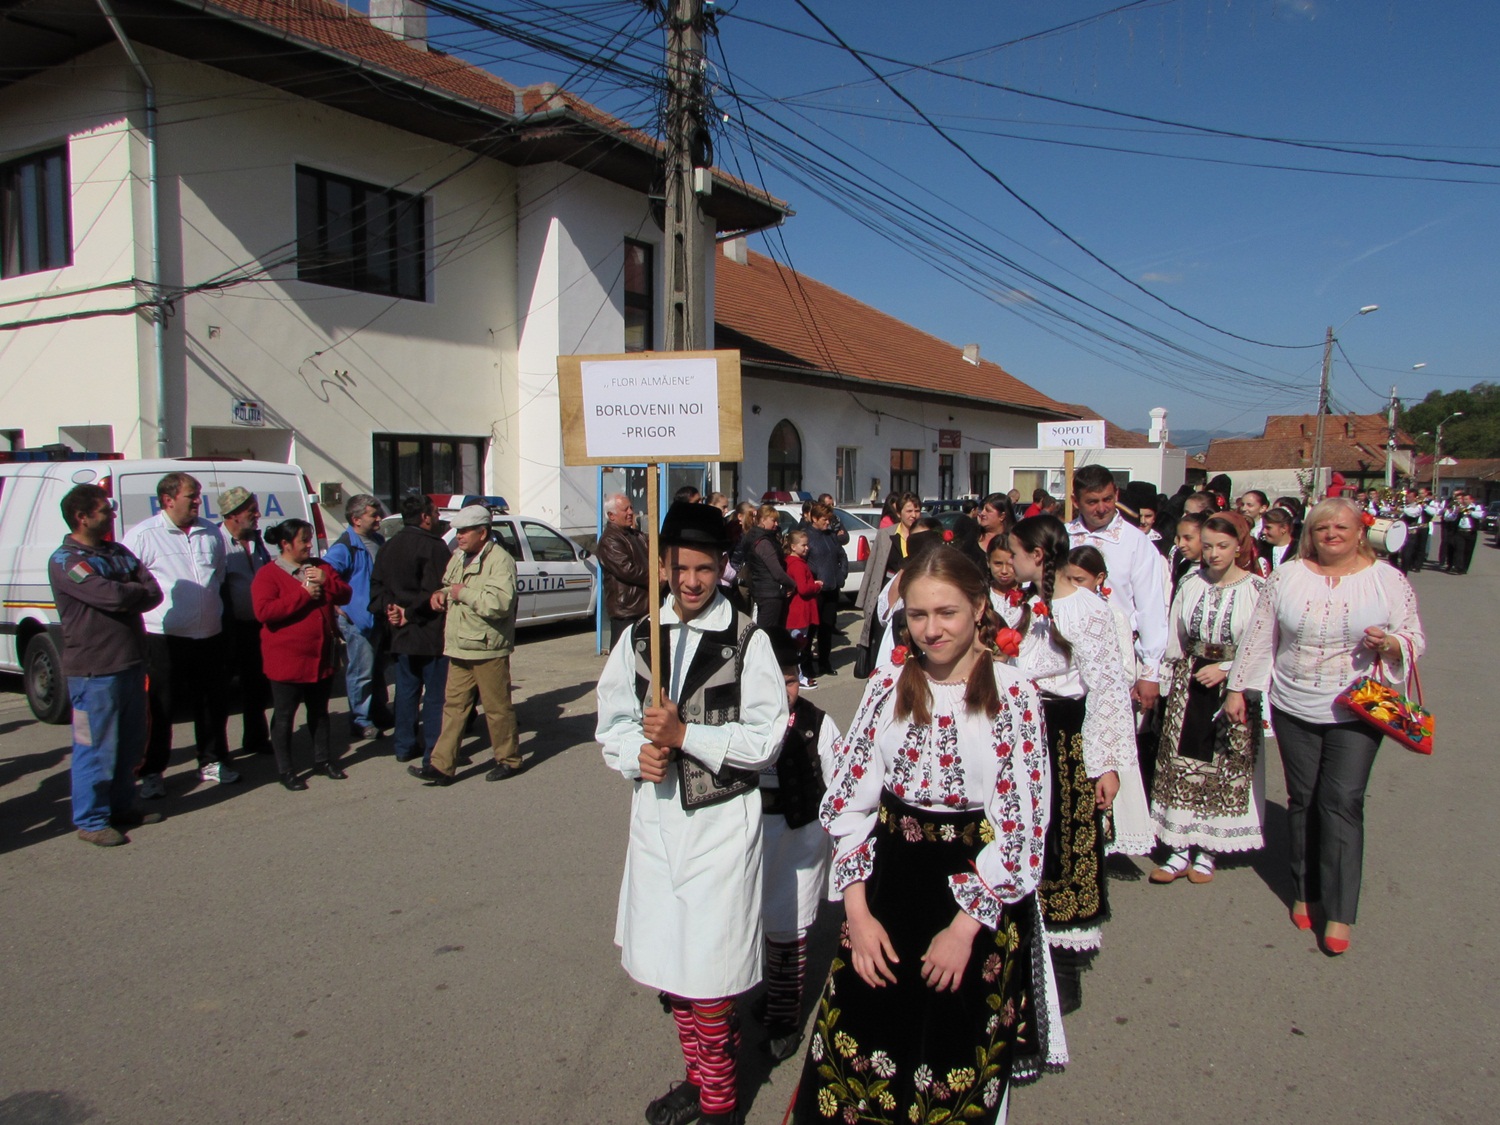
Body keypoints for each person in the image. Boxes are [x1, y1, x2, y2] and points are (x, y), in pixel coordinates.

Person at [790, 545, 1064, 1124]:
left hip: (970, 898)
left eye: (947, 613)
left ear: (978, 607)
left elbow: (1021, 830)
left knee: (947, 1063)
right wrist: (857, 917)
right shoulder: (891, 681)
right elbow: (850, 803)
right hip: (887, 886)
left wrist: (963, 932)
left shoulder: (1013, 694)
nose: (932, 629)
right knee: (862, 1054)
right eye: (918, 615)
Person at [597, 501, 787, 1125]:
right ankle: (701, 1074)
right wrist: (635, 755)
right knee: (675, 973)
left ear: (723, 568)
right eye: (680, 568)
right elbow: (614, 723)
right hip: (655, 824)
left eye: (705, 569)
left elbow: (765, 740)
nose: (691, 582)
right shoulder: (638, 637)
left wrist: (688, 739)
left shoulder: (746, 638)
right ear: (662, 566)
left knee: (707, 974)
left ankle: (719, 1102)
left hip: (720, 827)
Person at [1225, 497, 1425, 955]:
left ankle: (1339, 909)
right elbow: (1261, 634)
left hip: (1359, 705)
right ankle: (1305, 887)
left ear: (1360, 533)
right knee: (1305, 799)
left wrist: (1392, 643)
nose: (1331, 534)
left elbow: (1413, 636)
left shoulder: (1387, 580)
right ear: (1309, 535)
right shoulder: (1288, 576)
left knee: (1343, 800)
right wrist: (1239, 688)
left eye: (1341, 527)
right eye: (1321, 528)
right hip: (1294, 702)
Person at [1008, 516, 1138, 1012]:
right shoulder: (1031, 606)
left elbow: (1106, 689)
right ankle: (1026, 948)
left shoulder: (1085, 609)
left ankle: (1064, 967)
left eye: (1016, 553)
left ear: (1037, 556)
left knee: (1067, 841)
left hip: (1066, 738)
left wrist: (1106, 764)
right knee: (1026, 836)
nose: (1011, 561)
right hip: (1026, 734)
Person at [1149, 514, 1267, 885]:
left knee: (1222, 766)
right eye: (1210, 545)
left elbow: (1263, 645)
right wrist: (1169, 680)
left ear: (1239, 547)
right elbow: (1176, 636)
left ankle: (1208, 848)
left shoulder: (1256, 590)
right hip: (1190, 680)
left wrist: (1229, 670)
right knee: (1181, 763)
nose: (1214, 553)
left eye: (1224, 546)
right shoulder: (1190, 581)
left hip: (1232, 684)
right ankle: (1179, 845)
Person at [48, 484, 164, 846]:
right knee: (94, 748)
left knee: (129, 746)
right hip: (94, 672)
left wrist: (127, 590)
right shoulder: (66, 561)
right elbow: (111, 596)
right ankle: (92, 820)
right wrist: (129, 591)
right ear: (82, 517)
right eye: (104, 510)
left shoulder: (117, 552)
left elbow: (153, 590)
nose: (112, 514)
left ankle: (122, 806)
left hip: (129, 663)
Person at [122, 471, 237, 795]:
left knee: (212, 702)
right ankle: (153, 771)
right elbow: (130, 586)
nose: (199, 502)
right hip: (164, 637)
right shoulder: (143, 536)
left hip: (209, 634)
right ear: (168, 500)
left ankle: (212, 760)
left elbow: (218, 577)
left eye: (199, 495)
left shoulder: (211, 532)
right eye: (192, 496)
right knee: (161, 706)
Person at [756, 628, 839, 1063]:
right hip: (754, 839)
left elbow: (841, 778)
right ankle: (771, 993)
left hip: (800, 841)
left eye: (789, 680)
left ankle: (785, 1016)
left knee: (788, 929)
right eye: (772, 679)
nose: (782, 689)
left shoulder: (818, 723)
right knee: (758, 924)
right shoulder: (744, 721)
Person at [417, 504, 522, 785]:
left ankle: (508, 759)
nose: (459, 536)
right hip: (459, 644)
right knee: (454, 707)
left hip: (488, 647)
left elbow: (499, 603)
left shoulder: (500, 560)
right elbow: (448, 586)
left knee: (497, 708)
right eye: (457, 531)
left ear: (483, 532)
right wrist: (440, 595)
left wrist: (462, 593)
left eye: (464, 531)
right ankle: (441, 765)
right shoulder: (459, 556)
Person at [1062, 544, 1155, 860]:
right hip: (1073, 708)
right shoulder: (1063, 610)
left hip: (1099, 704)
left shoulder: (1110, 614)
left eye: (1081, 579)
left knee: (1100, 775)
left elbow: (1125, 668)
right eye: (1069, 579)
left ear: (1099, 578)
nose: (1075, 587)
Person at [252, 520, 352, 790]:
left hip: (321, 655)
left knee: (319, 713)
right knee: (285, 716)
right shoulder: (268, 575)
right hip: (287, 660)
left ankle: (322, 760)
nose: (310, 545)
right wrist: (303, 594)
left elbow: (345, 594)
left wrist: (326, 581)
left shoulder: (320, 567)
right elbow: (265, 612)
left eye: (310, 540)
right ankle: (286, 769)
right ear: (285, 545)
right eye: (303, 541)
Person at [1066, 464, 1169, 716]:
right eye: (1092, 501)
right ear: (1075, 501)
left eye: (1107, 499)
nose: (1101, 508)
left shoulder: (1136, 542)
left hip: (1116, 655)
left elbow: (1150, 608)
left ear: (1116, 496)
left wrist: (1150, 671)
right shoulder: (1063, 537)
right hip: (1067, 657)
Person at [370, 495, 452, 767]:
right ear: (426, 517)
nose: (439, 517)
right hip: (429, 632)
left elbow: (377, 590)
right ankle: (434, 751)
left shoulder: (388, 547)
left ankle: (404, 745)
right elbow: (436, 594)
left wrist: (391, 609)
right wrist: (402, 612)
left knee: (406, 691)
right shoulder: (434, 547)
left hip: (402, 633)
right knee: (435, 695)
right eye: (436, 513)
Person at [325, 493, 389, 742]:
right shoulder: (344, 546)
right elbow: (327, 576)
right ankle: (359, 720)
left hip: (377, 618)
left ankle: (378, 711)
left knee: (378, 669)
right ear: (356, 519)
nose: (379, 518)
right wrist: (339, 606)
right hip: (358, 621)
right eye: (373, 515)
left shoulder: (377, 540)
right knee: (361, 671)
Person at [217, 486, 272, 756]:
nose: (257, 515)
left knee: (256, 685)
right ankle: (218, 749)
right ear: (233, 514)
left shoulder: (257, 541)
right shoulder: (217, 541)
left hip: (257, 626)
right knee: (221, 690)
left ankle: (257, 738)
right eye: (251, 511)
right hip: (228, 627)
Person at [853, 493, 921, 665]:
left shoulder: (923, 534)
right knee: (882, 636)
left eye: (917, 510)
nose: (913, 515)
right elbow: (873, 567)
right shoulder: (886, 534)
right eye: (909, 511)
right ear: (899, 513)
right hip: (887, 590)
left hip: (915, 592)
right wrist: (865, 600)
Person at [598, 492, 650, 649]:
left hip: (644, 609)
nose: (630, 513)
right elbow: (627, 570)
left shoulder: (636, 535)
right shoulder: (610, 540)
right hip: (627, 612)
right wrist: (656, 576)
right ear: (611, 516)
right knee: (623, 662)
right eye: (625, 509)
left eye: (631, 508)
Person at [802, 501, 846, 678]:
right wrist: (812, 580)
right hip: (816, 590)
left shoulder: (831, 536)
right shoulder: (807, 536)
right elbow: (801, 562)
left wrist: (841, 574)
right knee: (811, 629)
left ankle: (824, 662)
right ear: (814, 518)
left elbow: (842, 556)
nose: (827, 523)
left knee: (827, 628)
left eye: (829, 519)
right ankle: (806, 665)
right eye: (824, 519)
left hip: (832, 587)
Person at [737, 503, 796, 630]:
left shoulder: (755, 536)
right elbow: (777, 572)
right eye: (773, 521)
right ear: (763, 520)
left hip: (761, 589)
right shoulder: (763, 542)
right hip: (770, 593)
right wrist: (792, 583)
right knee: (769, 632)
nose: (776, 524)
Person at [782, 528, 822, 689]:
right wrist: (816, 586)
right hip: (800, 610)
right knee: (798, 644)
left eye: (807, 545)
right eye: (803, 545)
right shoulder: (797, 564)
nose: (807, 548)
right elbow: (804, 588)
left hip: (797, 609)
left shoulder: (791, 562)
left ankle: (797, 675)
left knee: (796, 644)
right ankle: (797, 676)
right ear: (793, 546)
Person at [1454, 490, 1483, 574]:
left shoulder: (1476, 507)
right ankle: (1458, 567)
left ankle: (1464, 568)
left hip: (1471, 532)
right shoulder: (1459, 507)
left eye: (1466, 499)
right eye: (1464, 499)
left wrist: (1470, 512)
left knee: (1468, 551)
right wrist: (1456, 511)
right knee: (1459, 550)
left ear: (1471, 500)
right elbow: (1452, 517)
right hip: (1460, 531)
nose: (1464, 501)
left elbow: (1481, 515)